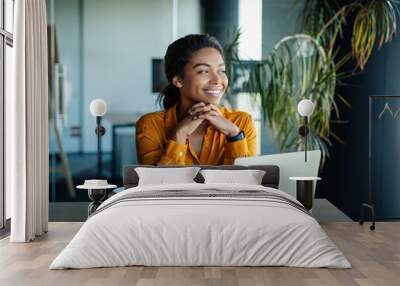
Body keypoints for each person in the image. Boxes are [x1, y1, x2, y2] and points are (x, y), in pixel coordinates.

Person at [136, 34, 256, 165]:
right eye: (204, 71)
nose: (217, 80)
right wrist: (179, 134)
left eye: (222, 71)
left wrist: (234, 135)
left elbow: (246, 184)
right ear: (178, 80)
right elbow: (156, 183)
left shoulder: (241, 123)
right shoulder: (151, 125)